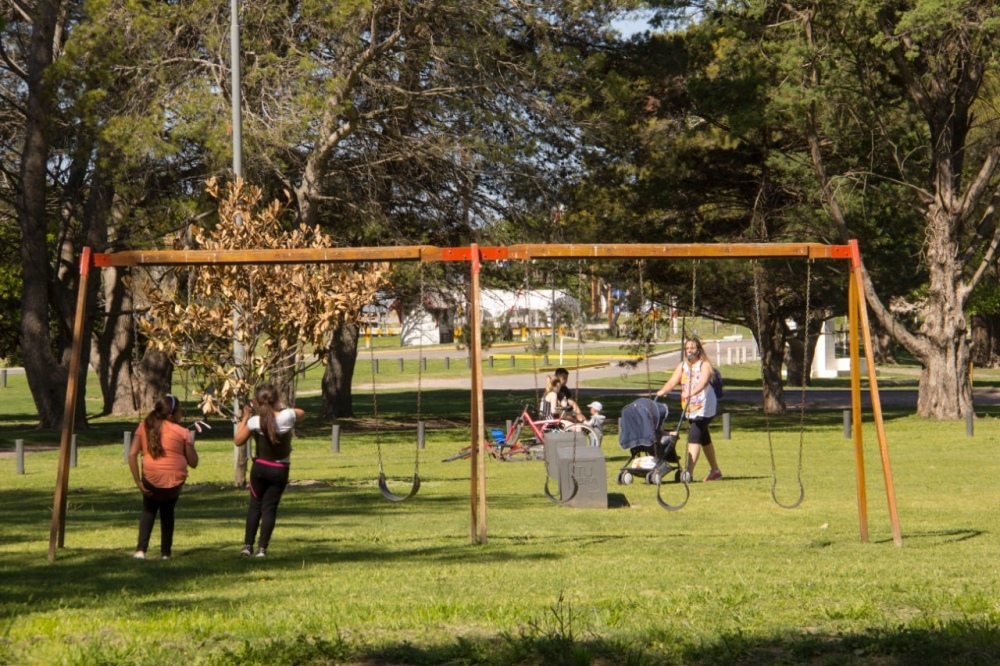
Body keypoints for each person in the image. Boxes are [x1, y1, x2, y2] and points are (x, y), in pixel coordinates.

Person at [234, 383, 306, 557]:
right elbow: (302, 414)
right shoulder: (287, 416)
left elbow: (238, 440)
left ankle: (247, 546)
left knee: (255, 507)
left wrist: (245, 417)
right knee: (270, 508)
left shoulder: (254, 422)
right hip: (280, 469)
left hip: (260, 468)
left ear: (256, 402)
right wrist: (282, 408)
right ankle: (262, 548)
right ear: (277, 399)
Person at [128, 394, 199, 560]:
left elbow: (132, 455)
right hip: (175, 481)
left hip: (150, 478)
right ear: (172, 414)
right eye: (180, 411)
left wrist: (138, 481)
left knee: (148, 510)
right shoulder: (183, 432)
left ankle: (140, 550)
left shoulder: (144, 426)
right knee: (167, 512)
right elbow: (193, 462)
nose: (182, 414)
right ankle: (165, 553)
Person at [655, 337, 722, 482]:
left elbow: (704, 382)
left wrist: (691, 393)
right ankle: (715, 470)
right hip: (690, 408)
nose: (689, 351)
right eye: (687, 348)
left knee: (694, 437)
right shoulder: (683, 365)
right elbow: (673, 381)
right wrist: (663, 391)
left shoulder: (704, 365)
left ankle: (688, 472)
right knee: (704, 438)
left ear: (698, 349)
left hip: (705, 408)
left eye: (692, 348)